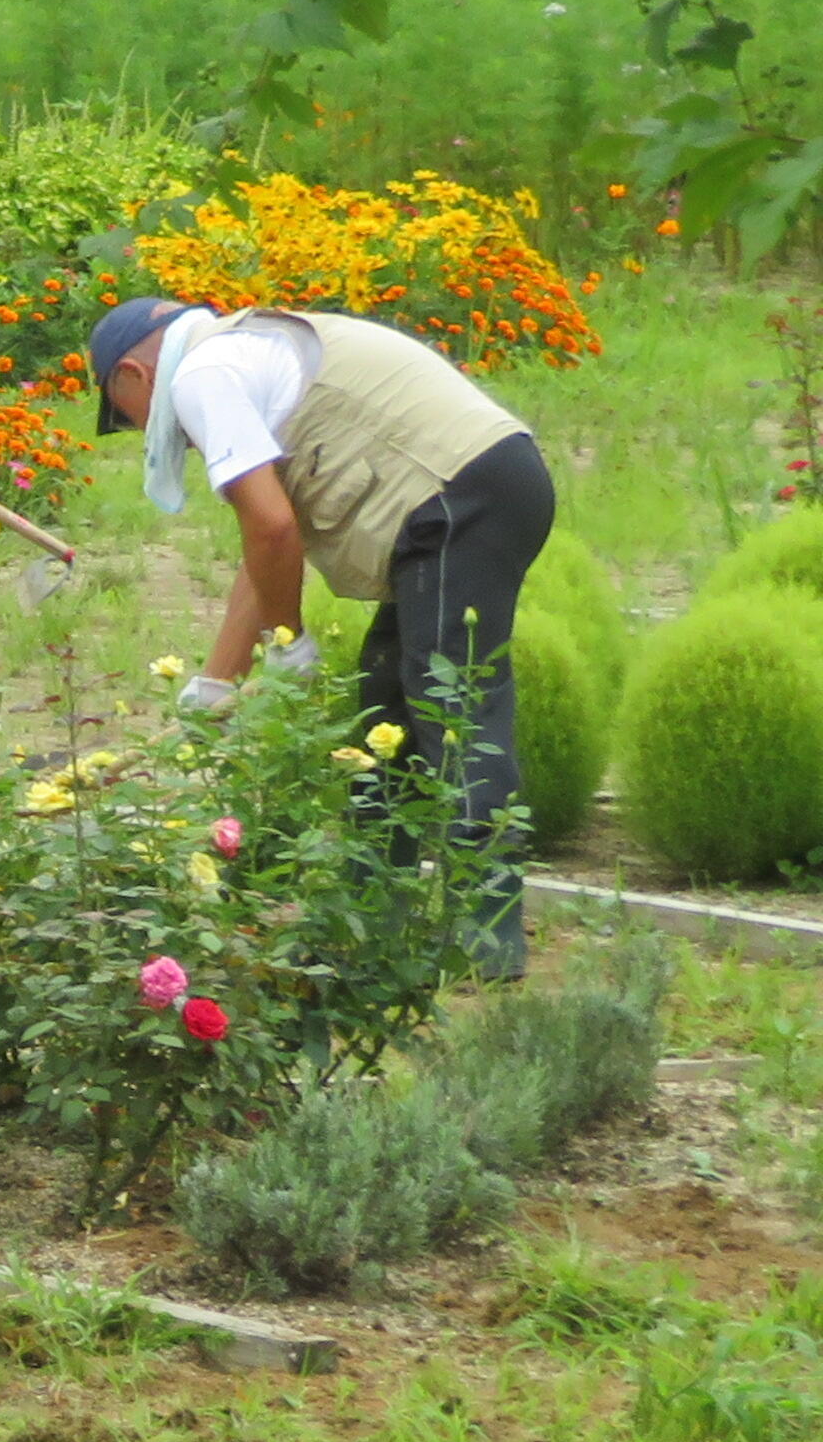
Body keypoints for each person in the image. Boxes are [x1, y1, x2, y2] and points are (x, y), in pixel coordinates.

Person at [89, 293, 557, 974]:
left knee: (452, 707)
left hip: (459, 495)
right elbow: (268, 546)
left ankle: (486, 941)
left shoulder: (201, 377)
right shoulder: (240, 355)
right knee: (385, 707)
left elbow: (274, 528)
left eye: (121, 413)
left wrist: (290, 645)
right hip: (479, 484)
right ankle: (369, 920)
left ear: (133, 375)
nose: (140, 431)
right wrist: (214, 686)